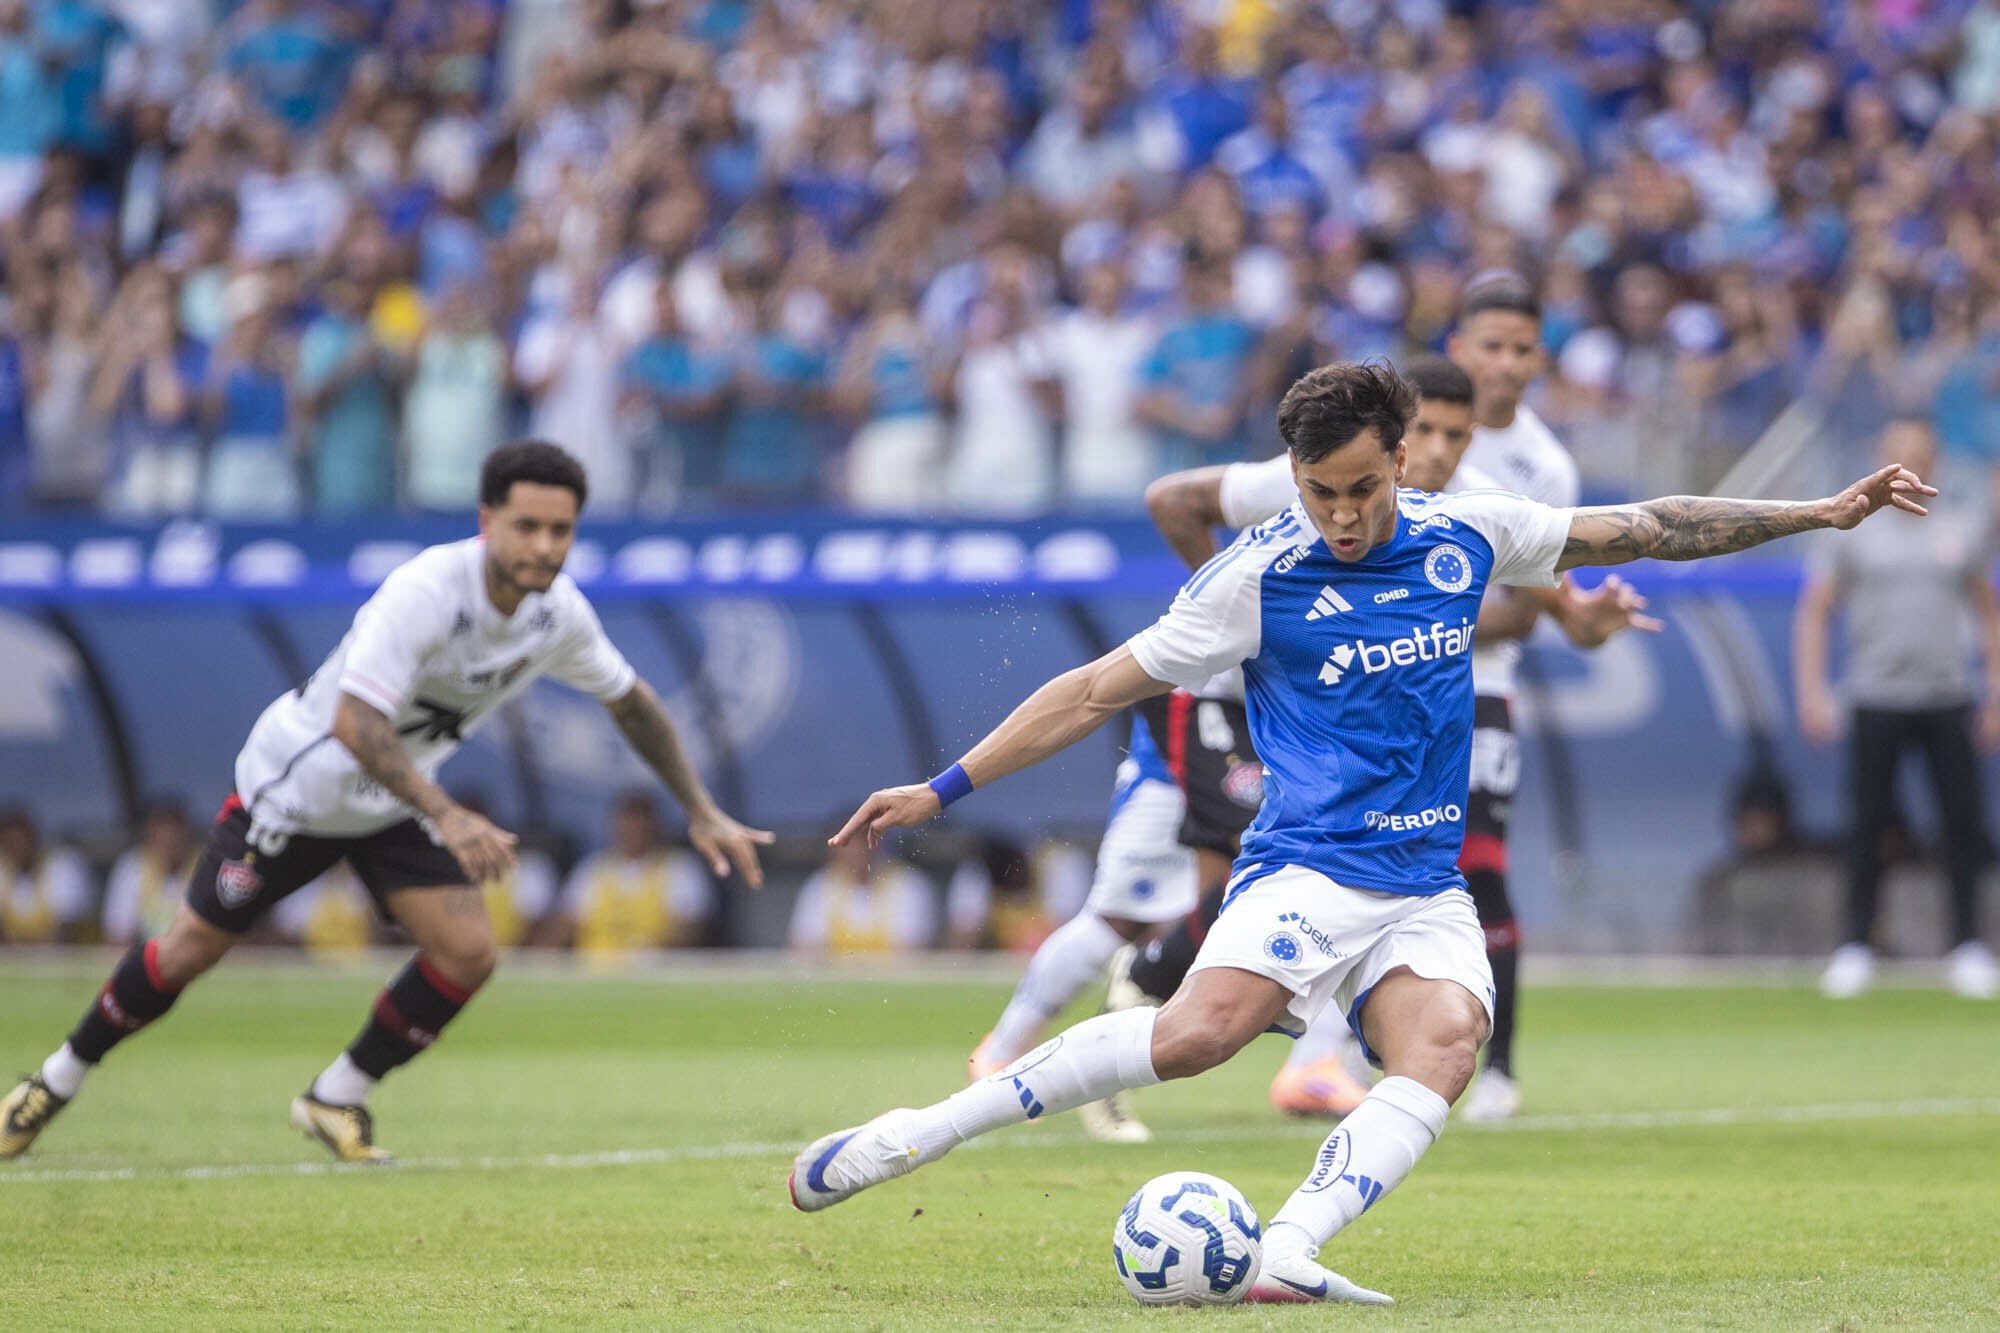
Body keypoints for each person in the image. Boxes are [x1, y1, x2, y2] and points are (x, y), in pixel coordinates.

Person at [786, 360, 1931, 1306]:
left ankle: (1286, 1247)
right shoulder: (1254, 578)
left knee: (1443, 1044)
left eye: (1357, 490)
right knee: (1194, 1038)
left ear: (1399, 462)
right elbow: (1090, 689)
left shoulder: (1466, 533)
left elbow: (1649, 525)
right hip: (1305, 866)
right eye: (1316, 490)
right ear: (1293, 475)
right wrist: (941, 788)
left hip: (1421, 885)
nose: (1338, 514)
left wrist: (1817, 511)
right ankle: (917, 1131)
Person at [0, 442, 772, 1163]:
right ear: (487, 521)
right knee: (190, 950)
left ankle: (336, 1096)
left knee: (469, 952)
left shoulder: (557, 614)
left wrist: (700, 807)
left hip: (391, 797)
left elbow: (632, 702)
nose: (544, 546)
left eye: (560, 530)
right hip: (299, 790)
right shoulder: (428, 592)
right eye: (527, 526)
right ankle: (52, 1081)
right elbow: (353, 722)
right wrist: (448, 814)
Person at [1108, 353, 1655, 1129]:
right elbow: (1173, 501)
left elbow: (1536, 599)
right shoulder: (1314, 469)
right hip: (1304, 708)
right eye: (1427, 429)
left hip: (1460, 696)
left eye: (1454, 437)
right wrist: (1262, 630)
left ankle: (1384, 1062)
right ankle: (1157, 976)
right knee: (1292, 865)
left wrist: (1579, 621)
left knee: (1460, 869)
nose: (1438, 450)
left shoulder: (1498, 495)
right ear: (1402, 433)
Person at [1794, 416, 2000, 1001]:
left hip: (1946, 696)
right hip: (1875, 695)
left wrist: (1994, 691)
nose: (1909, 462)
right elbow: (1815, 611)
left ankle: (1967, 946)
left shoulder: (1961, 526)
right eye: (1898, 452)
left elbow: (1987, 612)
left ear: (1934, 459)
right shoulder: (1853, 525)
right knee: (1866, 827)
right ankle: (1856, 944)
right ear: (1882, 459)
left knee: (1962, 827)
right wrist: (1813, 690)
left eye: (1919, 452)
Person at [550, 791, 716, 961]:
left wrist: (653, 954)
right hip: (594, 972)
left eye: (641, 824)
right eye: (628, 825)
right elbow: (562, 928)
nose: (634, 832)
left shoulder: (680, 868)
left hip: (654, 974)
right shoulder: (593, 869)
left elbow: (692, 932)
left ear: (656, 827)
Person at [102, 800, 199, 946]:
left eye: (175, 838)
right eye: (164, 839)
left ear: (187, 835)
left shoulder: (206, 865)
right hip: (146, 959)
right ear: (150, 838)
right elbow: (117, 935)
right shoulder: (133, 867)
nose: (170, 845)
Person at [0, 808, 93, 944]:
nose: (17, 848)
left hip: (70, 961)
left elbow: (68, 930)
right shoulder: (3, 871)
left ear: (34, 838)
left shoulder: (62, 865)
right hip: (17, 962)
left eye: (21, 841)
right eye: (9, 843)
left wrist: (21, 949)